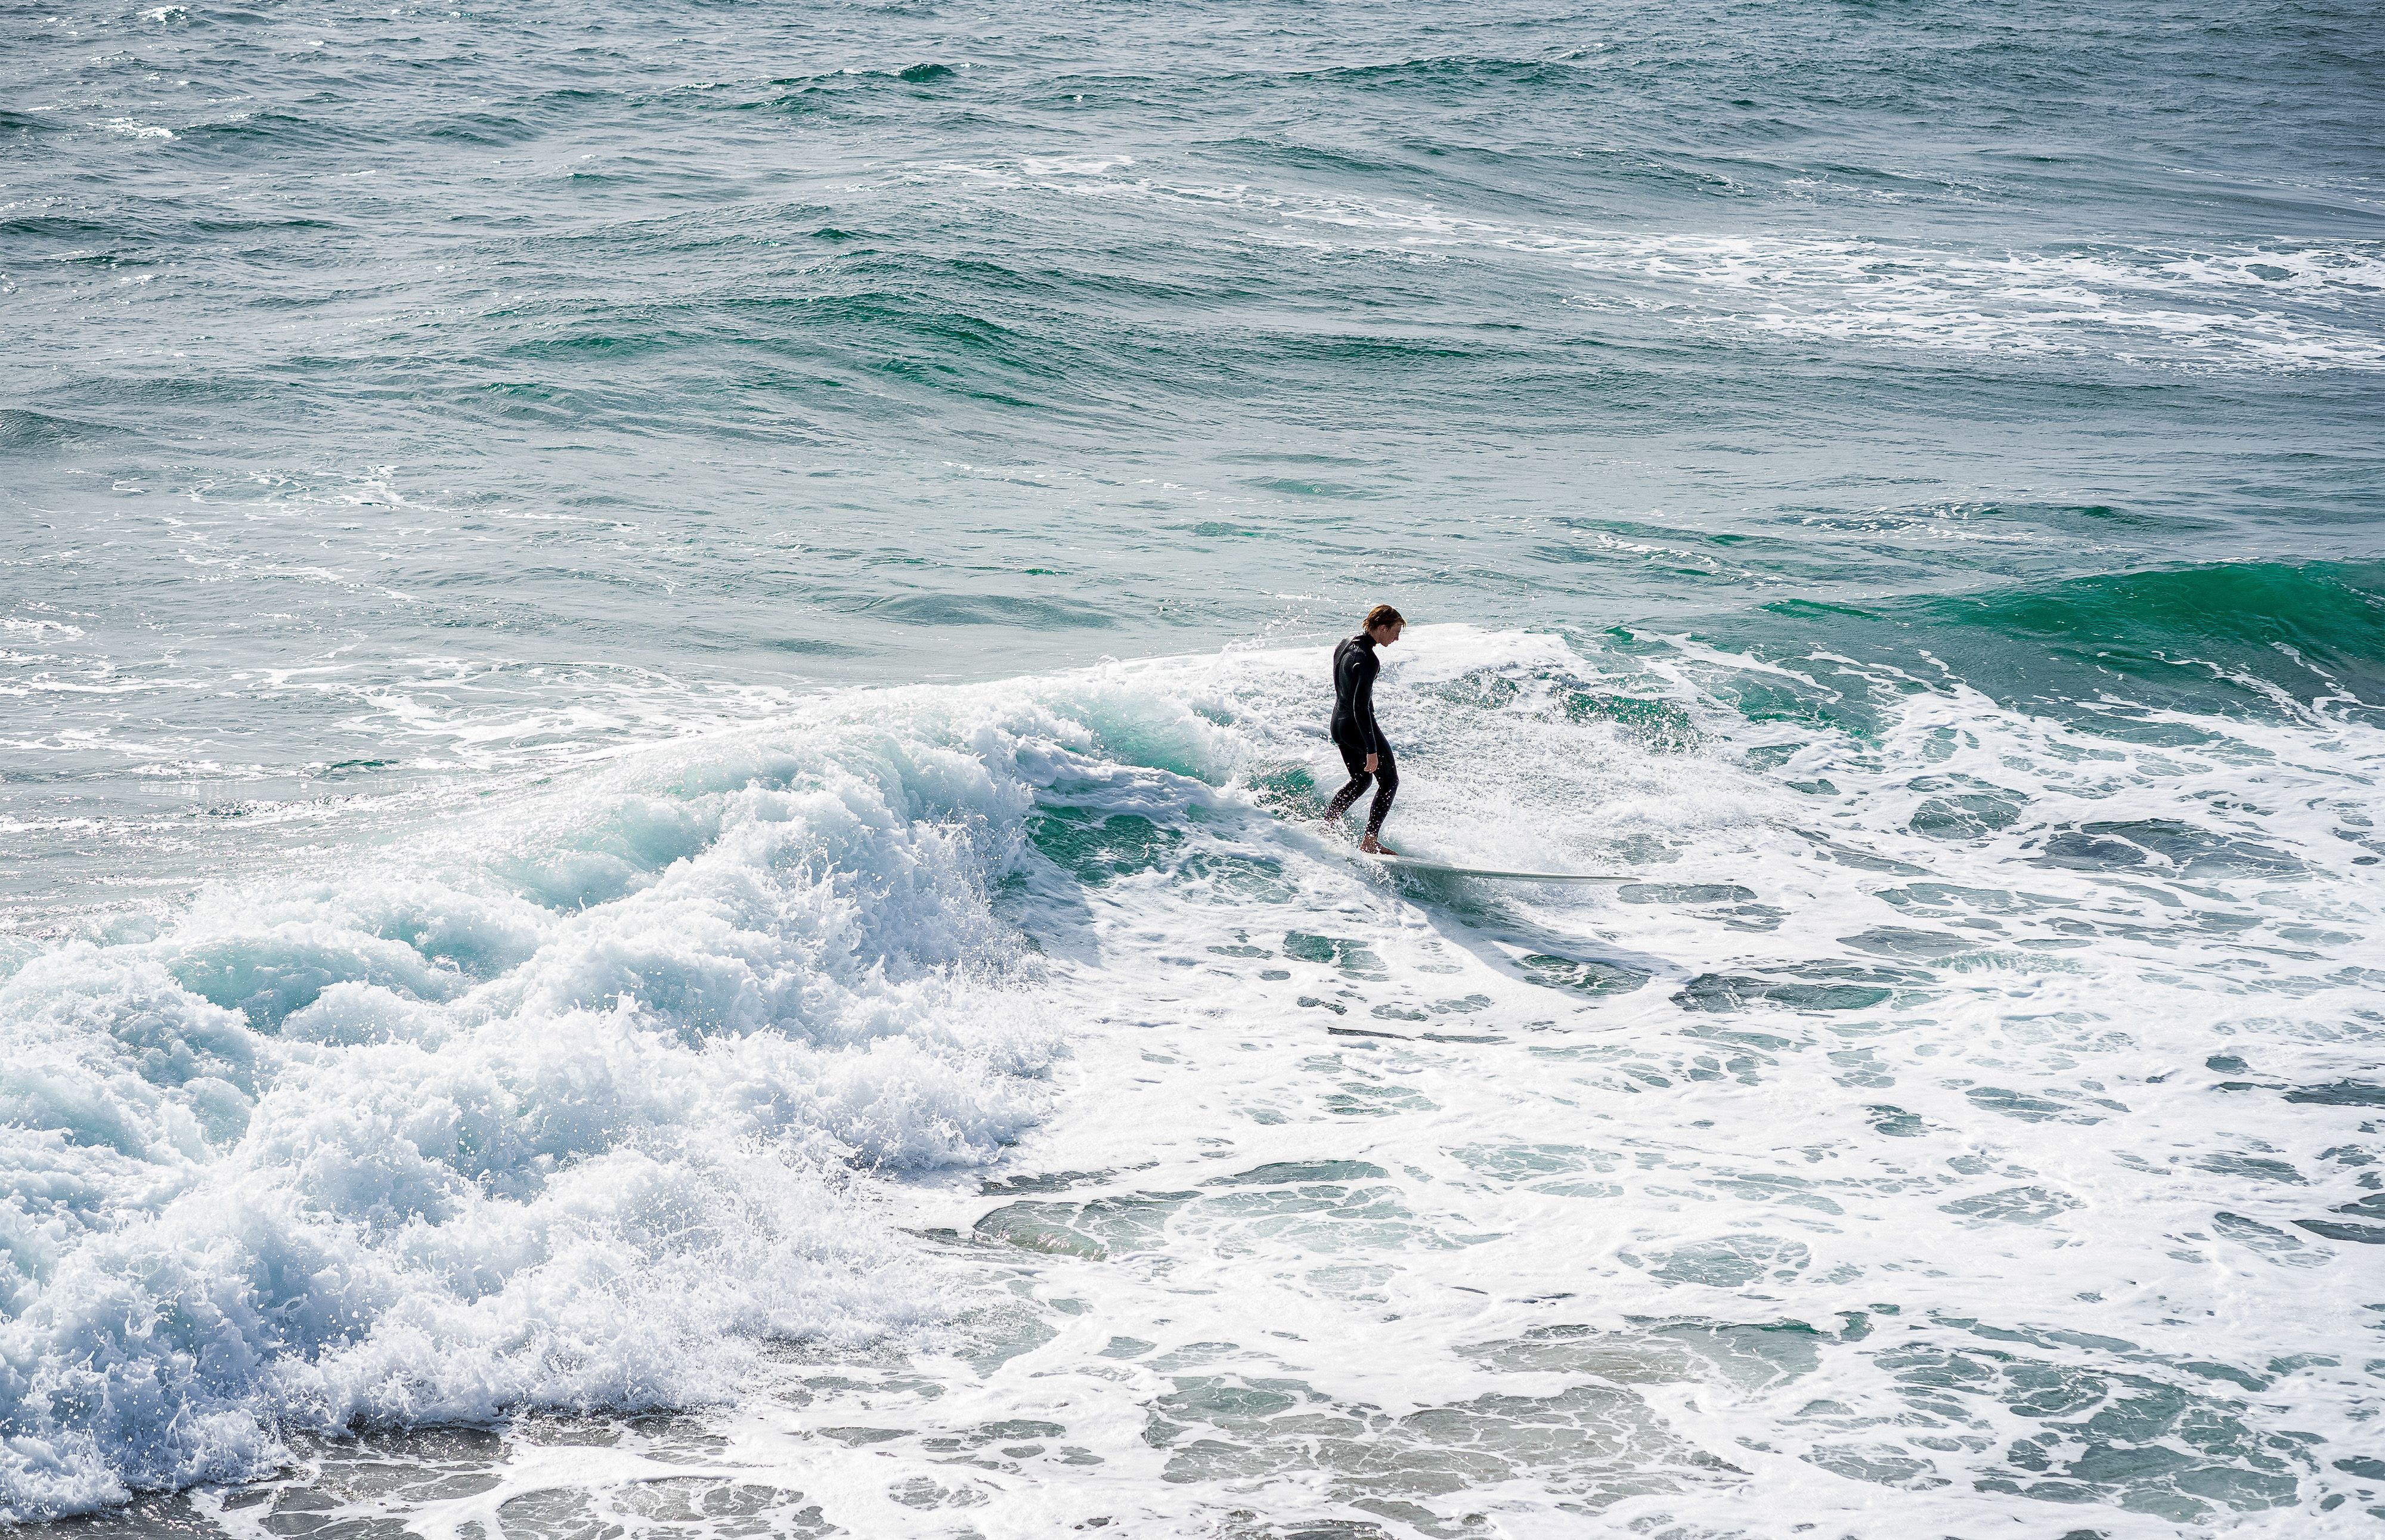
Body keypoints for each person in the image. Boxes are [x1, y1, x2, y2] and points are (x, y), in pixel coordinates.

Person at [1324, 603, 1404, 852]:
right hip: (1358, 726)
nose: (1397, 638)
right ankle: (1369, 841)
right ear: (1382, 628)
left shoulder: (1345, 643)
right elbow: (1361, 707)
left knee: (1361, 780)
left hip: (1338, 724)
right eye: (1395, 632)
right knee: (1389, 782)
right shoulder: (1369, 660)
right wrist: (1371, 748)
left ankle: (1327, 823)